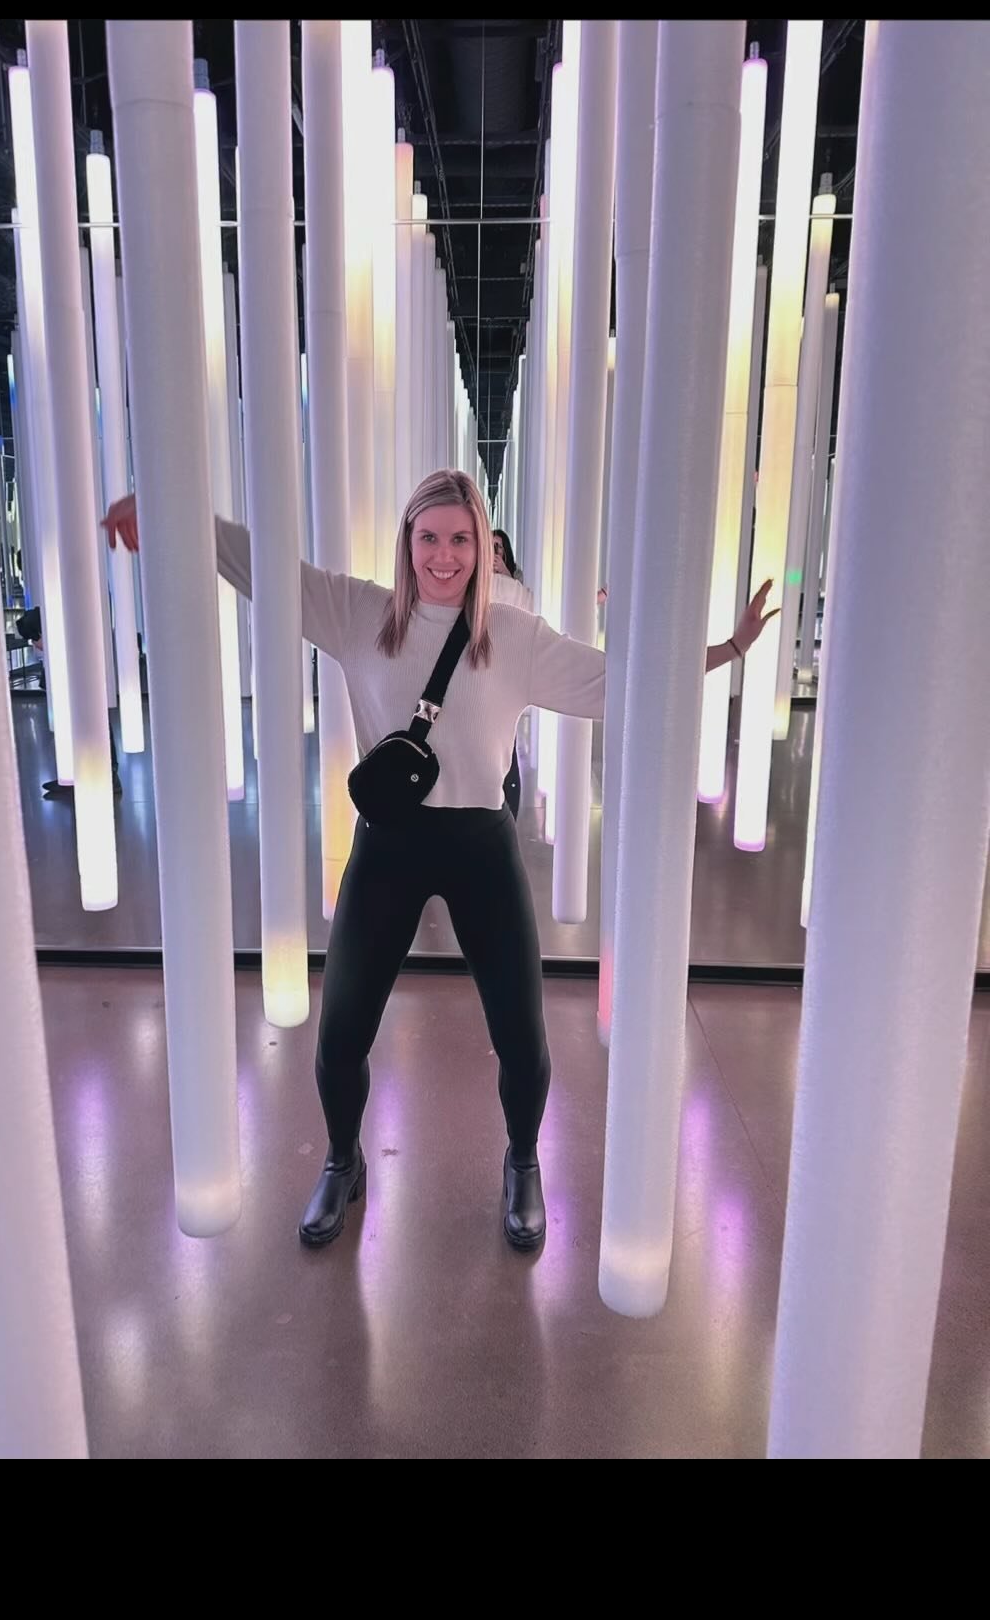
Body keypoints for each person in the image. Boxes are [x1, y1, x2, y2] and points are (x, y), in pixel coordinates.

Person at [104, 470, 774, 1253]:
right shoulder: (357, 612)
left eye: (460, 539)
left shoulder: (514, 637)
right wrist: (170, 511)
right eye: (429, 538)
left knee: (521, 1036)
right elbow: (263, 567)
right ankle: (343, 1159)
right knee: (340, 1034)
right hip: (388, 845)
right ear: (408, 542)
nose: (444, 556)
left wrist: (731, 648)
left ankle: (522, 1162)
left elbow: (626, 681)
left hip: (480, 845)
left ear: (483, 547)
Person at [13, 606, 123, 800]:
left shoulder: (70, 649)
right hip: (80, 686)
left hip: (85, 688)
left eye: (33, 640)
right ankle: (80, 777)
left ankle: (105, 777)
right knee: (80, 728)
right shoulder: (65, 645)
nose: (35, 646)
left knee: (92, 726)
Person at [489, 529, 534, 819]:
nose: (495, 552)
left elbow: (527, 613)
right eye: (490, 546)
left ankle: (509, 814)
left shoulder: (516, 585)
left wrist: (506, 577)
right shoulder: (473, 580)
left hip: (506, 675)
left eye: (499, 547)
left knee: (509, 746)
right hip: (478, 671)